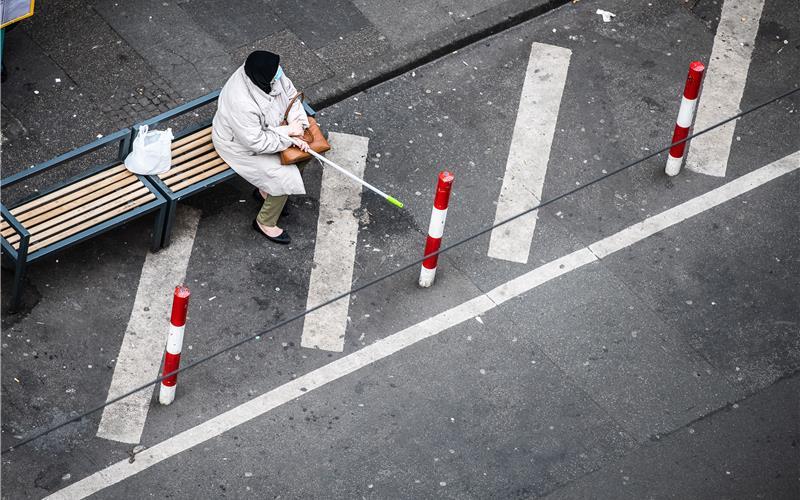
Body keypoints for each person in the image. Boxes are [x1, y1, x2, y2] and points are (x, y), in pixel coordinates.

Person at [212, 51, 311, 244]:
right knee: (283, 177)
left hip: (271, 133)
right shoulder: (241, 102)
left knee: (303, 154)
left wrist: (297, 126)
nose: (280, 73)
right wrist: (288, 135)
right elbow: (255, 142)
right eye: (276, 72)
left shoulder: (268, 73)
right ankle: (265, 222)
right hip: (237, 146)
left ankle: (266, 192)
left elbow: (291, 96)